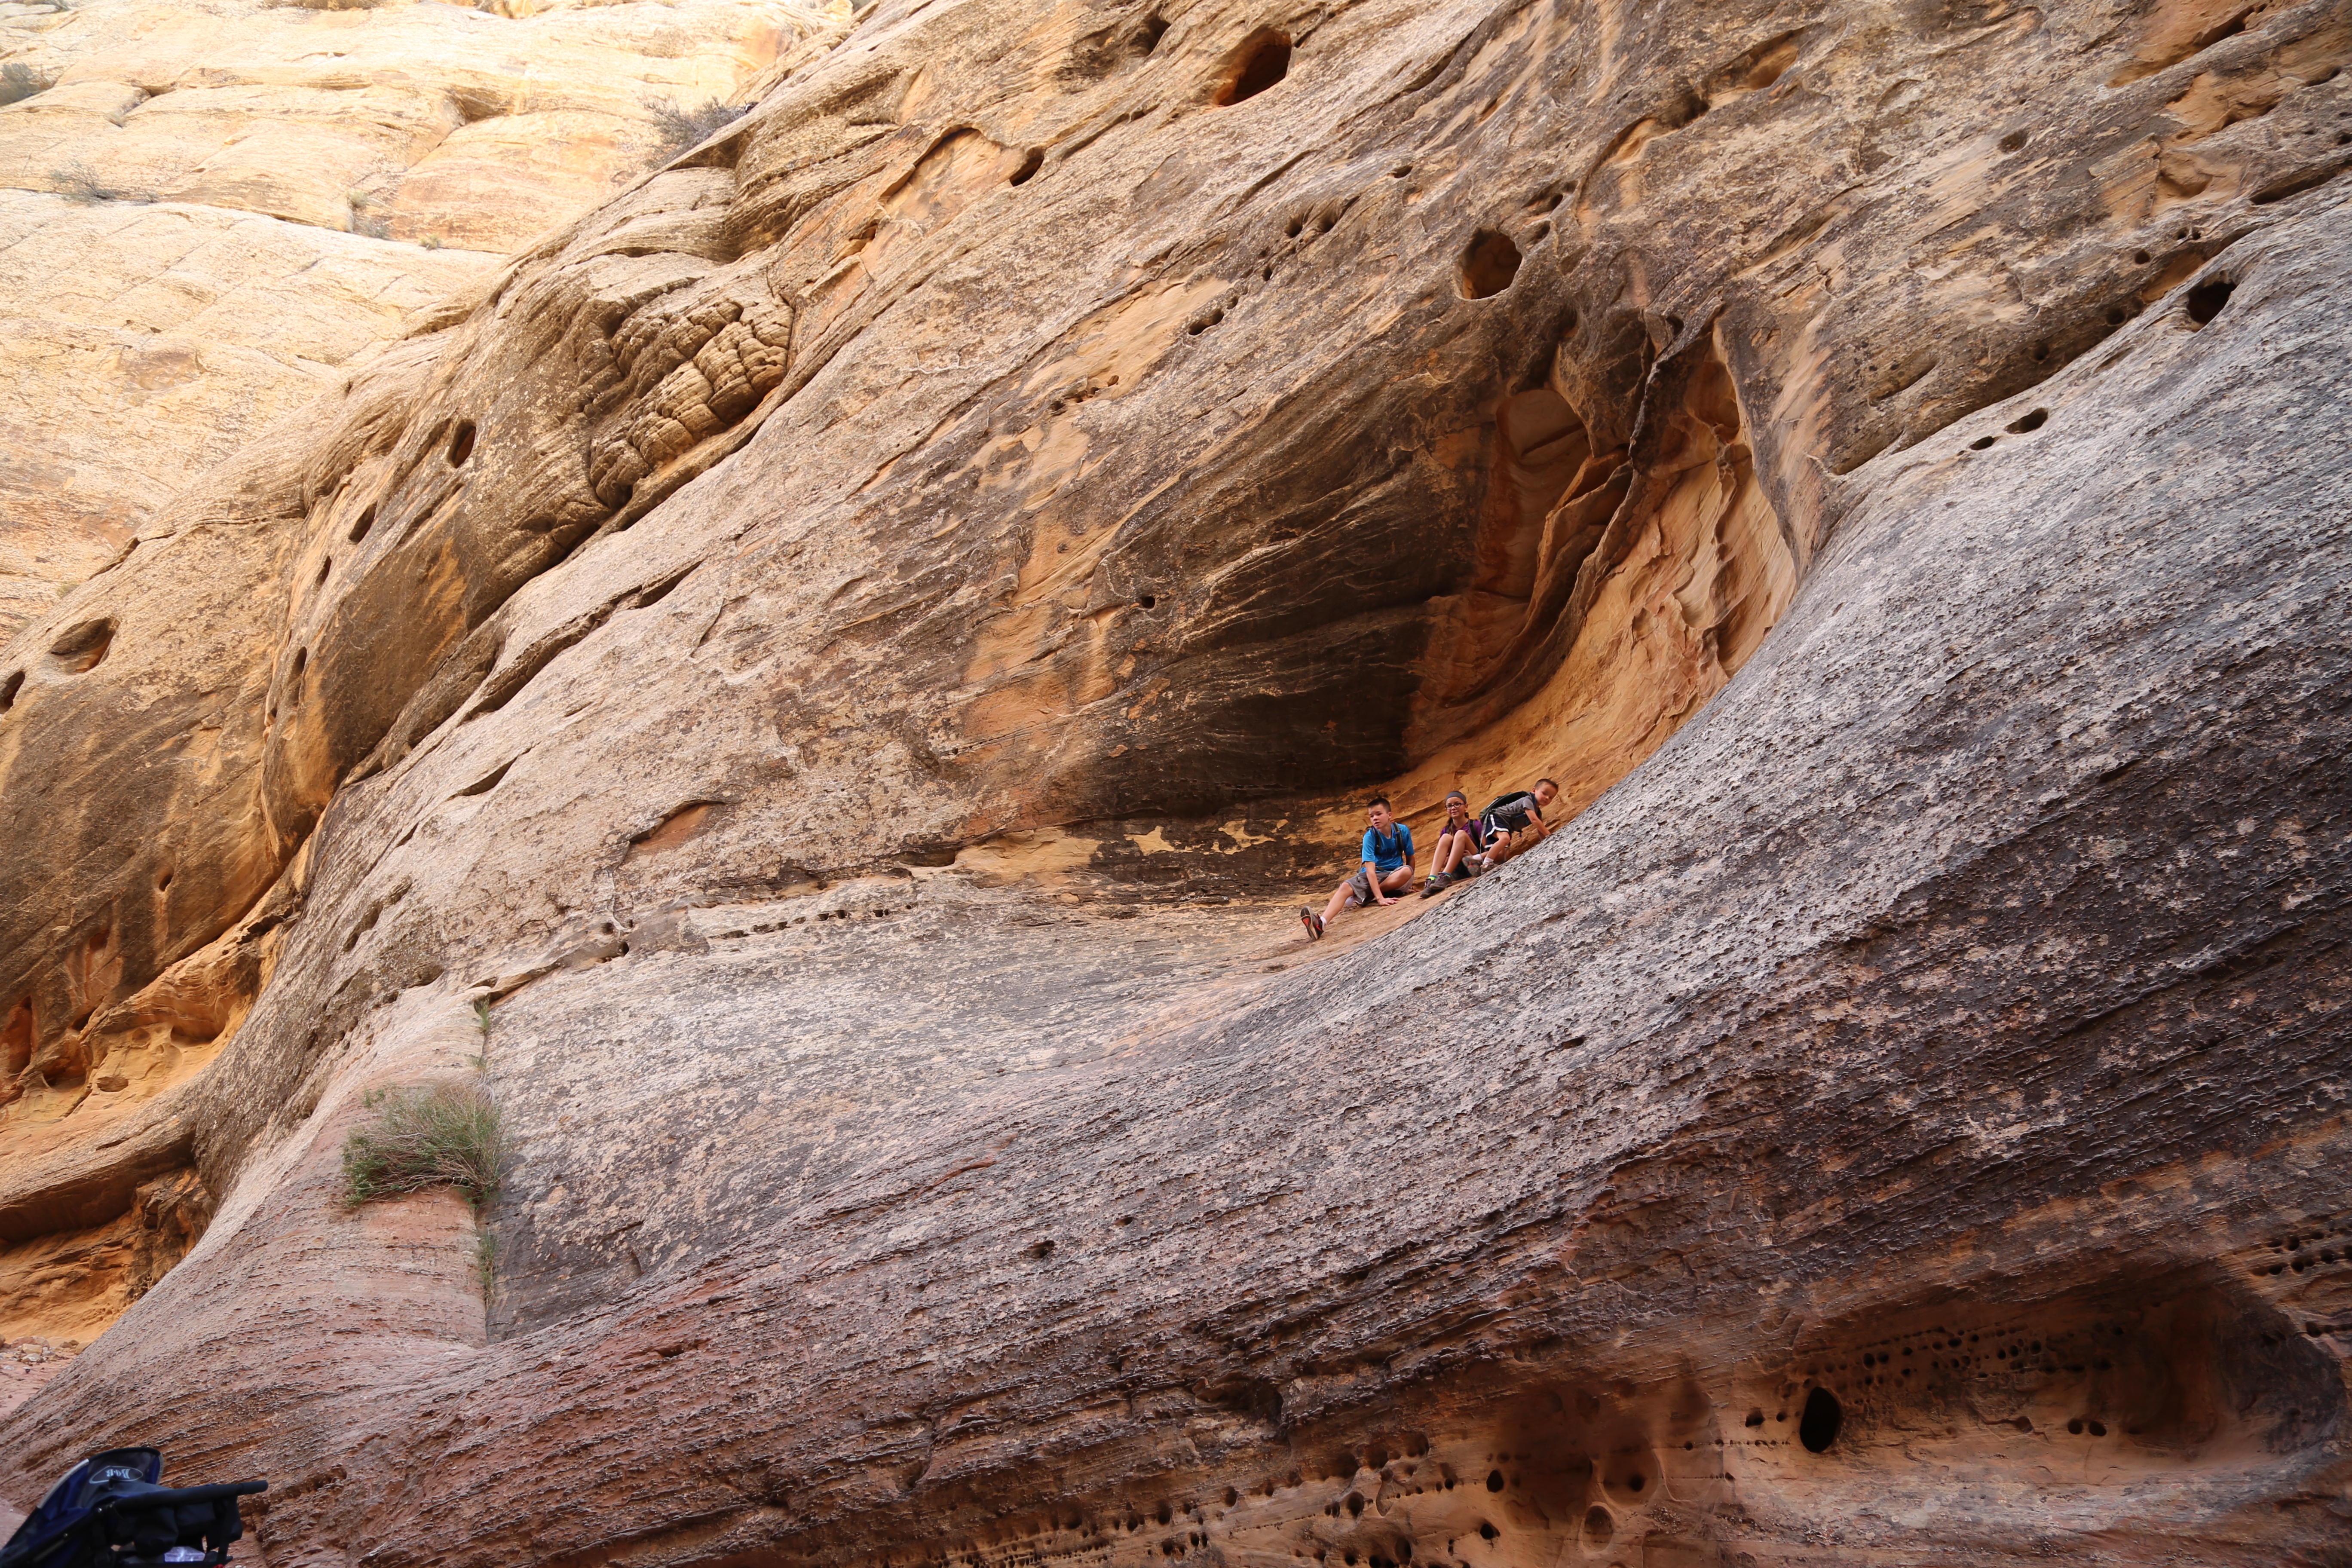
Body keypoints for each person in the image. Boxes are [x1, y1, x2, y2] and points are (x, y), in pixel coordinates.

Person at [1299, 796, 1415, 940]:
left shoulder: (1402, 832)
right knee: (1345, 888)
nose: (1375, 819)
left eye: (1379, 814)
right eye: (1372, 816)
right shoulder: (1370, 836)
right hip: (1375, 875)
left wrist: (1410, 883)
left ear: (1390, 815)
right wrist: (1380, 899)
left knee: (1406, 871)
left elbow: (1410, 858)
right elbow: (1371, 871)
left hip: (1394, 875)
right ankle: (1321, 924)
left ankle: (1365, 896)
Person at [1476, 779, 1559, 870]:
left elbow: (1541, 830)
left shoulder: (1537, 812)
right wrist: (1551, 837)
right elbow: (1535, 821)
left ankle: (1475, 860)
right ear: (1534, 791)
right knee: (1505, 839)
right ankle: (1487, 864)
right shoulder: (1528, 800)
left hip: (1505, 824)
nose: (1547, 798)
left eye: (1551, 797)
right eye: (1545, 793)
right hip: (1496, 817)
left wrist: (1547, 843)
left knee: (1504, 851)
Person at [1421, 790, 1490, 895]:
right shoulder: (1447, 831)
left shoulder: (1475, 826)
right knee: (1445, 838)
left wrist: (1472, 857)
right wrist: (1450, 858)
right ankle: (1432, 879)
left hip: (1474, 865)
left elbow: (1489, 851)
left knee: (1461, 834)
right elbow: (1443, 861)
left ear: (1466, 807)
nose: (1453, 808)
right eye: (1449, 806)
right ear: (1446, 810)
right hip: (1457, 870)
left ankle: (1446, 876)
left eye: (1457, 804)